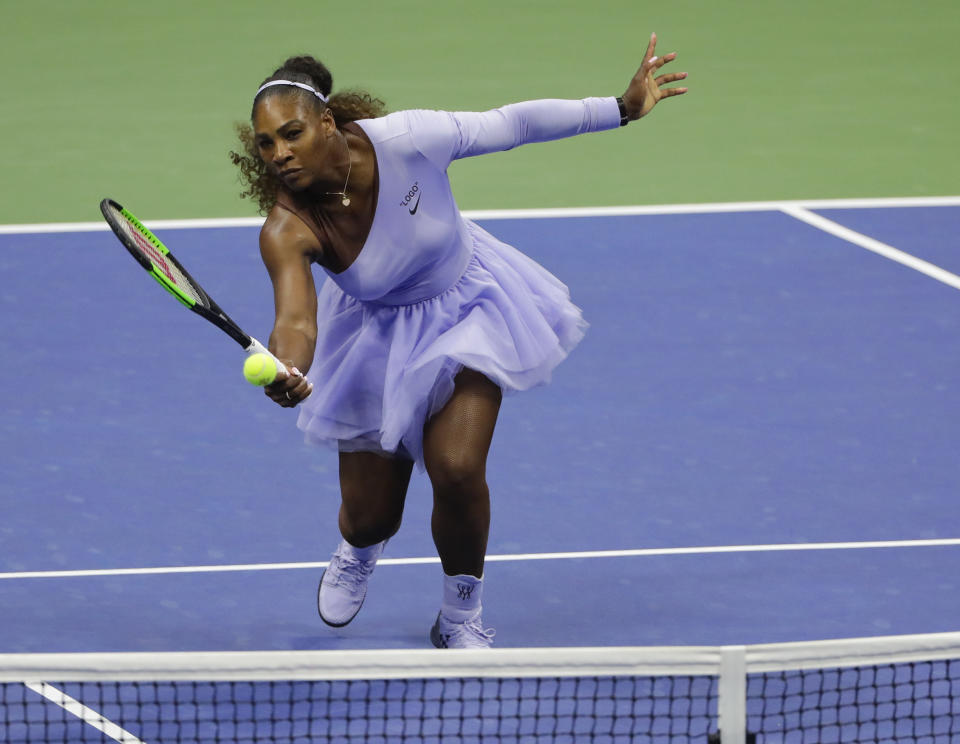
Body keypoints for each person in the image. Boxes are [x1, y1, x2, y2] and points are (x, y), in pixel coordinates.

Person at [230, 34, 687, 648]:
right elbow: (297, 320)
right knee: (371, 516)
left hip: (467, 307)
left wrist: (621, 107)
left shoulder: (407, 140)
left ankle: (460, 616)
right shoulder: (287, 228)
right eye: (266, 143)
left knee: (458, 467)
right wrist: (287, 365)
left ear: (327, 122)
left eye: (292, 134)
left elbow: (512, 123)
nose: (279, 153)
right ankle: (360, 551)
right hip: (374, 334)